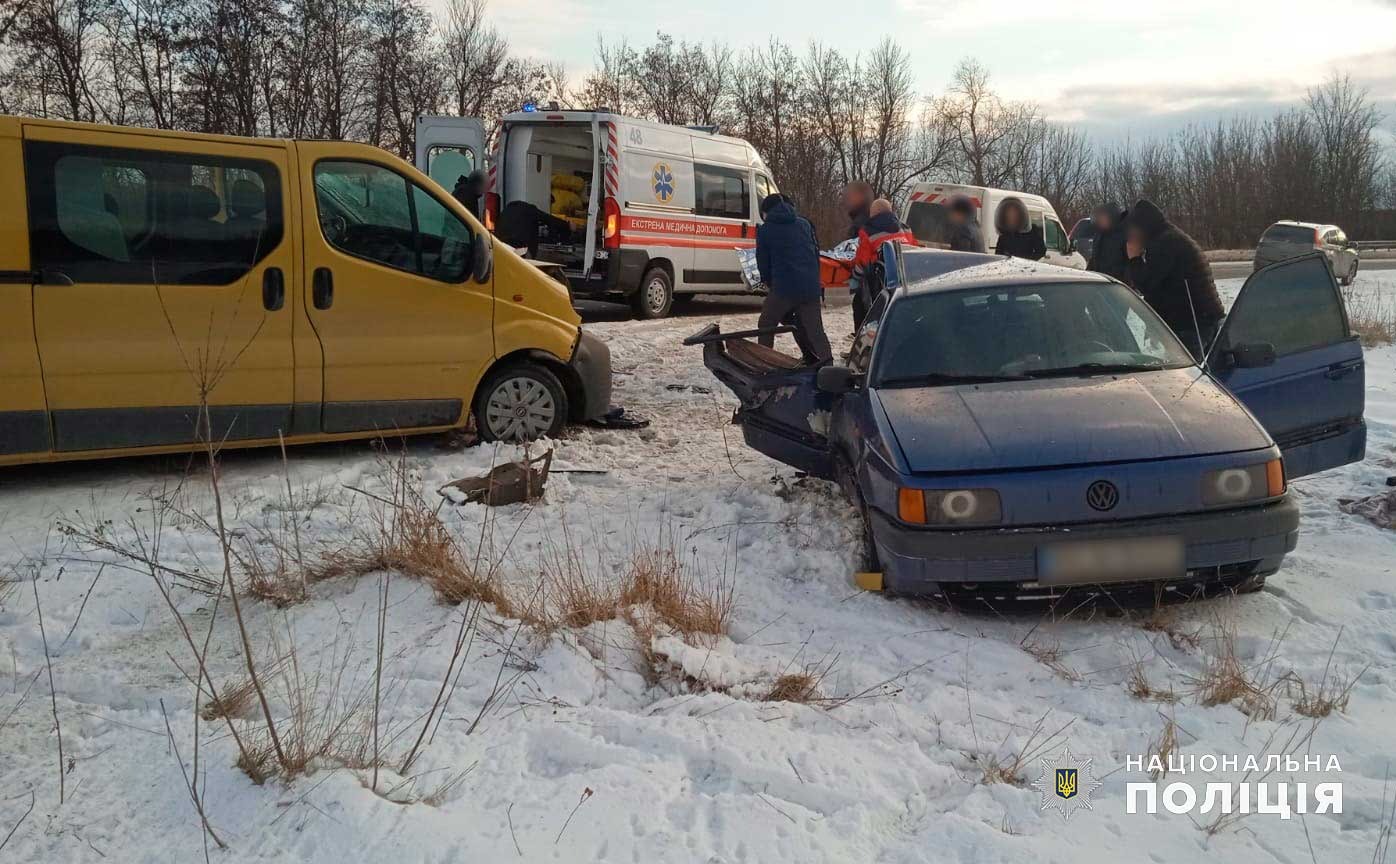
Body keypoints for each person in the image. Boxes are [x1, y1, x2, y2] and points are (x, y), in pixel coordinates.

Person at [1124, 199, 1225, 360]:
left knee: (1187, 375)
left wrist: (1134, 258)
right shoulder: (1170, 237)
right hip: (1201, 318)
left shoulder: (1164, 243)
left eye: (1134, 229)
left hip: (1191, 323)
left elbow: (1148, 284)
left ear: (1143, 226)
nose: (1132, 234)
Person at [756, 194, 832, 365]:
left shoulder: (766, 230)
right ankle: (828, 365)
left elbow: (763, 264)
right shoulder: (805, 224)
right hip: (810, 287)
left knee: (766, 323)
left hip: (784, 288)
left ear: (766, 211)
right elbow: (815, 254)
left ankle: (765, 363)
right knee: (815, 330)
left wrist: (768, 283)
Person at [850, 198, 915, 329]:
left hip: (880, 281)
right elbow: (914, 251)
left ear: (874, 213)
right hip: (906, 279)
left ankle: (864, 336)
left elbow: (863, 261)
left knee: (859, 304)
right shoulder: (905, 229)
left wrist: (855, 279)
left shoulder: (867, 231)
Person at [1086, 203, 1129, 280]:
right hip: (1100, 280)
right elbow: (1094, 259)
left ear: (1112, 217)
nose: (1101, 221)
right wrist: (1087, 275)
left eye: (1103, 217)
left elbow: (1132, 262)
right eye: (1099, 218)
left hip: (1118, 282)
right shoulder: (1099, 235)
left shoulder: (1126, 235)